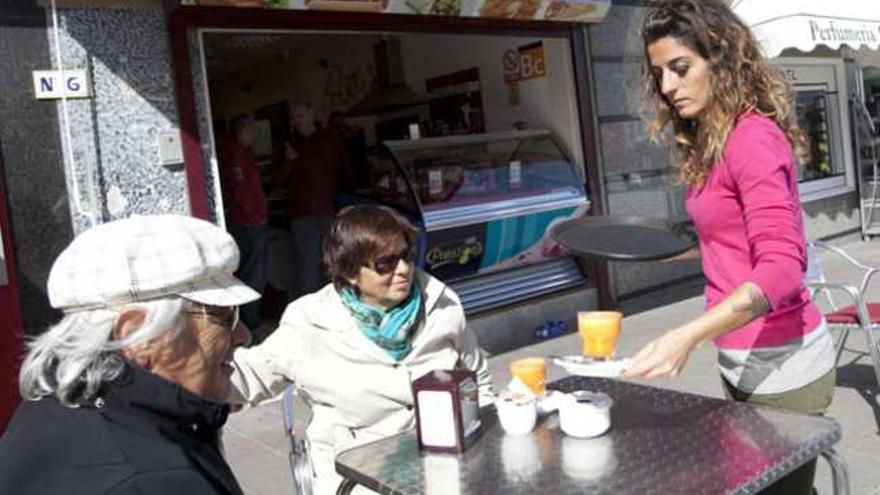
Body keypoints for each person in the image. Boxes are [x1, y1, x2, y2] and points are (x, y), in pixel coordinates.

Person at [621, 2, 836, 494]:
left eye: (680, 68)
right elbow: (727, 241)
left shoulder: (751, 138)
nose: (668, 87)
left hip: (784, 362)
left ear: (721, 58)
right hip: (740, 354)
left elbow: (782, 265)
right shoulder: (713, 142)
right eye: (660, 75)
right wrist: (641, 251)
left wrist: (685, 337)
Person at [229, 205, 494, 495]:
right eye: (385, 263)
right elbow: (247, 375)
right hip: (358, 476)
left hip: (443, 464)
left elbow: (477, 380)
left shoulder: (442, 304)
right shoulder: (310, 322)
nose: (404, 269)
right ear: (351, 272)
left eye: (406, 255)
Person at [0, 214, 260, 495]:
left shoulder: (52, 406)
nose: (243, 335)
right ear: (139, 334)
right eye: (224, 315)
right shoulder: (157, 481)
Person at [273, 102, 345, 302]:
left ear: (312, 114)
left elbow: (343, 171)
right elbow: (277, 179)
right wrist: (288, 161)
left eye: (301, 115)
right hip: (302, 214)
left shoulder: (330, 139)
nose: (298, 120)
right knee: (307, 266)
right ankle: (312, 311)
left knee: (336, 261)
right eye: (294, 117)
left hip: (329, 211)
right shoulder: (288, 143)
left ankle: (340, 303)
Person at [218, 113, 269, 341]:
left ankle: (249, 324)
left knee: (249, 272)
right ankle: (252, 325)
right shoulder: (236, 154)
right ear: (243, 130)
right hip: (248, 223)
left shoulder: (241, 152)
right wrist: (254, 217)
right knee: (253, 275)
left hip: (248, 220)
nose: (256, 135)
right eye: (253, 130)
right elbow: (240, 191)